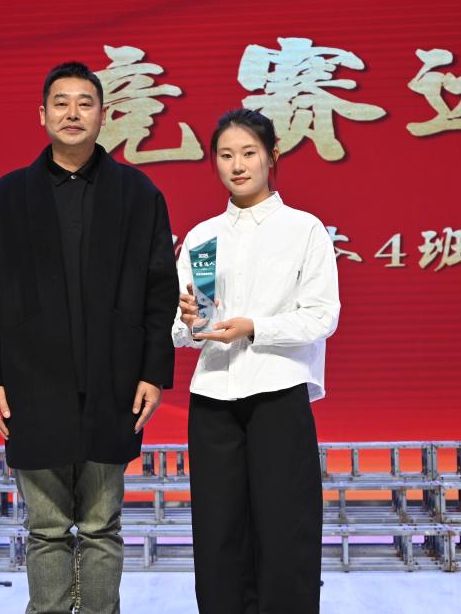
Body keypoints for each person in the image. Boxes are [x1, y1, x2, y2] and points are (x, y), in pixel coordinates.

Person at [0, 61, 179, 614]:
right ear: (41, 115)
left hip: (114, 384)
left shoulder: (138, 194)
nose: (72, 113)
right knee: (46, 529)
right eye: (61, 103)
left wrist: (154, 372)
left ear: (103, 115)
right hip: (31, 386)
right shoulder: (7, 197)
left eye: (85, 103)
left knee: (102, 526)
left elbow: (160, 291)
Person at [173, 108, 340, 614]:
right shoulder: (202, 237)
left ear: (272, 156)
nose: (238, 165)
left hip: (278, 394)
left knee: (286, 529)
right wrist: (190, 321)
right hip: (213, 399)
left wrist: (254, 327)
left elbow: (321, 316)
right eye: (226, 155)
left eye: (248, 153)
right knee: (218, 533)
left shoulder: (304, 229)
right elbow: (183, 330)